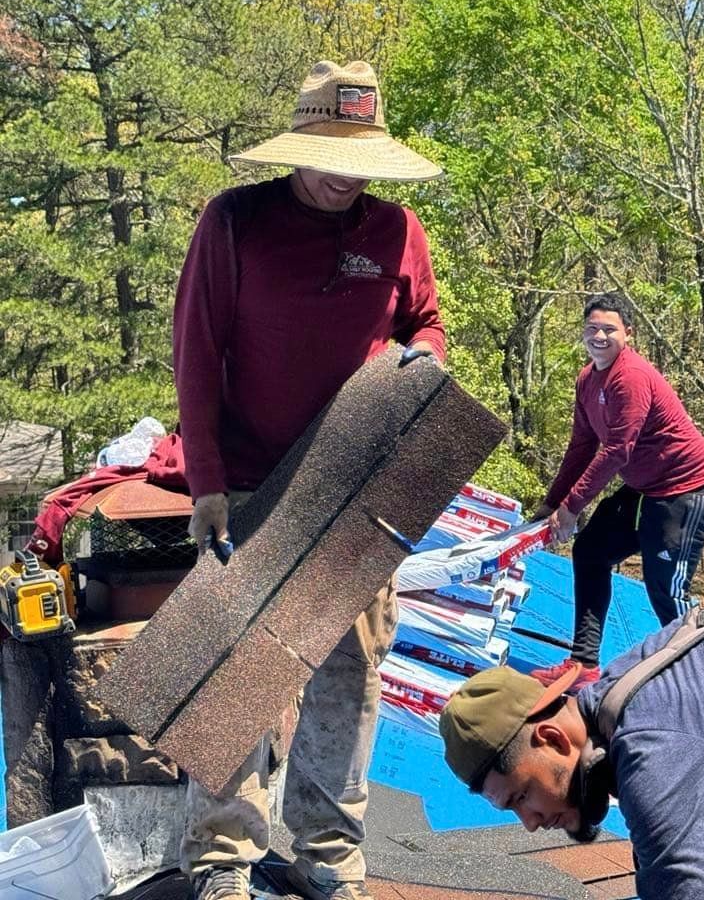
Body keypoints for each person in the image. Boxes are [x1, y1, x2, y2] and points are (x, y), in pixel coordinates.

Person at [173, 60, 446, 900]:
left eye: (357, 157)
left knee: (349, 674)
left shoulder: (397, 230)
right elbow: (195, 351)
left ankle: (330, 858)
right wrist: (207, 482)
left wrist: (424, 361)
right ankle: (222, 861)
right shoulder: (235, 221)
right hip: (254, 483)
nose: (342, 174)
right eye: (327, 154)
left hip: (359, 491)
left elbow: (425, 323)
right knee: (236, 677)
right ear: (295, 147)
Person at [438, 586, 704, 900]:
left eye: (522, 796)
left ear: (552, 739)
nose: (530, 822)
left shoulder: (651, 753)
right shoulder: (621, 700)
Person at [530, 291, 704, 690]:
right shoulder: (588, 380)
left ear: (627, 334)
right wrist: (552, 500)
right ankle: (583, 665)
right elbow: (582, 446)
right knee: (591, 550)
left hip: (686, 489)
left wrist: (571, 508)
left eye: (609, 329)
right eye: (592, 328)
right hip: (645, 488)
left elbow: (617, 450)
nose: (599, 336)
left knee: (666, 591)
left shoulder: (630, 376)